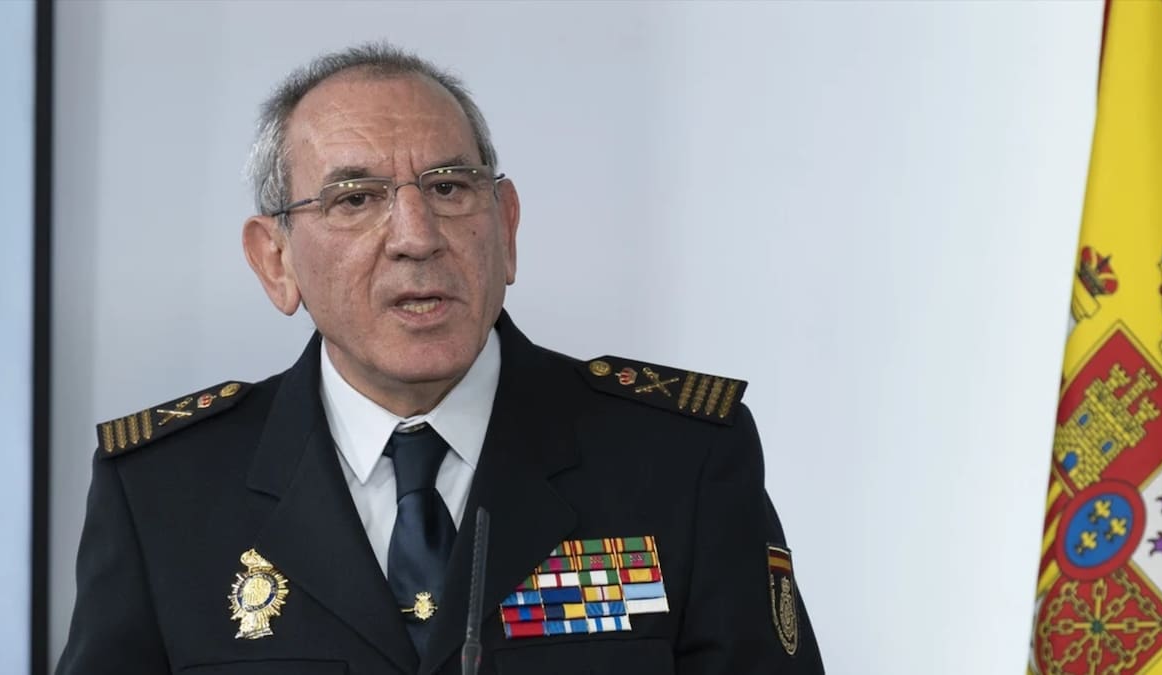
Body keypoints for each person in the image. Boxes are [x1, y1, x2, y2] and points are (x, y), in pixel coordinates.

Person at [58, 42, 824, 675]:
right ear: (275, 260)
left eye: (450, 187)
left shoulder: (679, 460)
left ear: (507, 226)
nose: (417, 236)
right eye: (355, 198)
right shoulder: (163, 492)